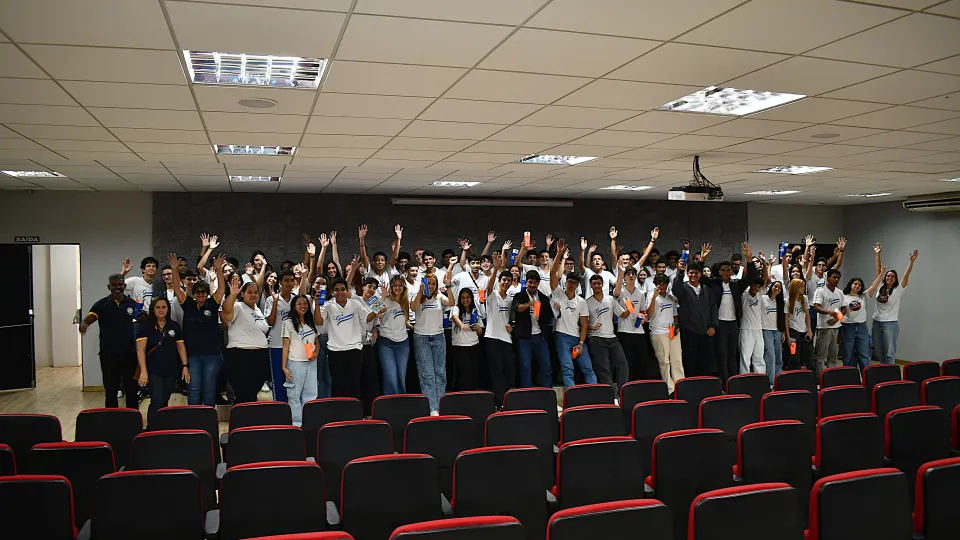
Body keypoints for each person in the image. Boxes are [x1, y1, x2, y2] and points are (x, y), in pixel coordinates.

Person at [169, 252, 226, 406]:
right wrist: (174, 270)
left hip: (212, 355)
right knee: (193, 388)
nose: (200, 294)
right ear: (193, 294)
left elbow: (221, 288)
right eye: (197, 292)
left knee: (209, 389)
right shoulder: (187, 304)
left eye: (203, 292)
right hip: (192, 355)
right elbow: (176, 288)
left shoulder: (212, 304)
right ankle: (193, 419)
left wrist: (219, 270)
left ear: (207, 293)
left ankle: (207, 420)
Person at [79, 274, 140, 409]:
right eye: (114, 285)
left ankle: (133, 418)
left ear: (124, 286)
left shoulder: (132, 304)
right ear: (109, 287)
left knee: (131, 390)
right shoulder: (102, 304)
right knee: (111, 390)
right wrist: (84, 323)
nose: (117, 287)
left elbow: (142, 321)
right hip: (108, 355)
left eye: (120, 284)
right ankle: (112, 419)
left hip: (129, 355)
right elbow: (89, 318)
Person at [316, 278, 381, 400]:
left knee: (354, 384)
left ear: (347, 291)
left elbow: (367, 318)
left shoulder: (355, 304)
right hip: (335, 351)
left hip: (354, 349)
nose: (340, 292)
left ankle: (355, 413)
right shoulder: (328, 306)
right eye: (336, 290)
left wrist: (377, 310)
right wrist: (316, 304)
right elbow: (318, 322)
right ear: (332, 291)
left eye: (342, 289)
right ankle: (339, 414)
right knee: (338, 384)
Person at [701, 242, 757, 382]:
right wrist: (702, 260)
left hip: (733, 323)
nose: (726, 272)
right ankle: (725, 381)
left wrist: (749, 260)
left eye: (728, 270)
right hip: (720, 323)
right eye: (723, 270)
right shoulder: (714, 283)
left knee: (733, 353)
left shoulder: (736, 284)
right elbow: (702, 279)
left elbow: (750, 278)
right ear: (719, 272)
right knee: (722, 353)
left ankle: (734, 380)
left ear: (731, 271)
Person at [549, 239, 597, 388]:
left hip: (576, 337)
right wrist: (559, 254)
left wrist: (581, 343)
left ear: (577, 286)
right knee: (567, 368)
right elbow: (552, 274)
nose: (572, 284)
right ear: (566, 283)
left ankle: (595, 393)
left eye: (575, 283)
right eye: (569, 282)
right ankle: (571, 394)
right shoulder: (558, 293)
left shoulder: (581, 301)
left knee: (587, 367)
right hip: (561, 336)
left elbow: (584, 325)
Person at [135, 297, 188, 427]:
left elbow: (180, 347)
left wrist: (185, 366)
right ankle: (152, 428)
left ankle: (163, 427)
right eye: (158, 307)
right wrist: (143, 371)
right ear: (153, 309)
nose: (161, 310)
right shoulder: (146, 326)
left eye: (164, 307)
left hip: (170, 370)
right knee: (156, 400)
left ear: (168, 309)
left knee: (165, 399)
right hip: (153, 370)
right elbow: (140, 350)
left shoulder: (173, 326)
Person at [222, 275, 270, 403]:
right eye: (250, 292)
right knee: (243, 395)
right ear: (242, 294)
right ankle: (242, 420)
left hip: (259, 357)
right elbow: (226, 312)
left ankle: (250, 419)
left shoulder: (258, 310)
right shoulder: (238, 306)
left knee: (251, 394)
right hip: (241, 357)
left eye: (256, 292)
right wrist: (232, 295)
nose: (253, 295)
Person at [411, 272, 453, 414]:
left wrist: (448, 286)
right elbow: (413, 307)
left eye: (434, 283)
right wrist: (420, 291)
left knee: (440, 372)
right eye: (429, 283)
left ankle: (441, 404)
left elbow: (452, 303)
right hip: (421, 337)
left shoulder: (440, 297)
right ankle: (432, 407)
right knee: (427, 374)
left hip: (438, 336)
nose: (431, 286)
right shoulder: (418, 296)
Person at [586, 267, 631, 394]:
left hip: (612, 338)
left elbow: (623, 314)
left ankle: (623, 392)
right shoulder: (587, 302)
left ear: (602, 285)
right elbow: (582, 323)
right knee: (604, 368)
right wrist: (591, 326)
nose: (596, 286)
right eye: (594, 284)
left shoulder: (610, 299)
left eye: (598, 283)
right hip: (596, 338)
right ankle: (612, 395)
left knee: (622, 364)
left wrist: (630, 307)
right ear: (591, 285)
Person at [872, 244, 918, 364]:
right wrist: (878, 254)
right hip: (876, 322)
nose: (890, 277)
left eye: (892, 276)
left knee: (889, 351)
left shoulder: (898, 289)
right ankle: (884, 370)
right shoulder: (880, 286)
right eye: (888, 275)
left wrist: (911, 262)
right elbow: (878, 270)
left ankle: (891, 375)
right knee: (878, 350)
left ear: (895, 279)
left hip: (890, 324)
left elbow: (906, 276)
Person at [672, 261, 718, 377]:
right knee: (690, 359)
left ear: (700, 274)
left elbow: (713, 308)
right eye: (691, 273)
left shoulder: (706, 289)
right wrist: (680, 272)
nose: (693, 275)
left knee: (705, 360)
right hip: (689, 330)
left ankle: (704, 383)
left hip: (705, 331)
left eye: (696, 273)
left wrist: (713, 325)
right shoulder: (683, 288)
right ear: (687, 274)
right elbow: (675, 289)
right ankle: (691, 384)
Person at [484, 249, 517, 407]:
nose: (506, 282)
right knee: (496, 372)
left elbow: (513, 317)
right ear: (499, 280)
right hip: (492, 337)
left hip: (507, 338)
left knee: (508, 371)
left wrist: (513, 326)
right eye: (503, 280)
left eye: (508, 280)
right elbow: (488, 288)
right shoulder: (492, 295)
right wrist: (496, 269)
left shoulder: (511, 298)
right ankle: (499, 404)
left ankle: (507, 401)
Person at [511, 270, 554, 388]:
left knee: (546, 366)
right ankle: (526, 394)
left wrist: (557, 310)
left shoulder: (544, 298)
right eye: (530, 282)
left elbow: (550, 316)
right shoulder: (520, 296)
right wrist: (529, 304)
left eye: (535, 283)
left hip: (540, 336)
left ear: (538, 283)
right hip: (524, 337)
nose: (533, 285)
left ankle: (548, 393)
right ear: (526, 282)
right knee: (525, 367)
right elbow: (516, 308)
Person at [281, 294, 319, 425]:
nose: (303, 306)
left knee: (311, 394)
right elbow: (285, 346)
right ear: (294, 306)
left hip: (311, 363)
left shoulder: (310, 321)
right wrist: (284, 367)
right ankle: (296, 424)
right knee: (294, 395)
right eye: (299, 304)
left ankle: (309, 423)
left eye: (305, 303)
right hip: (295, 363)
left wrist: (316, 353)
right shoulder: (288, 323)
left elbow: (316, 342)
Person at [613, 263, 655, 381]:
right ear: (625, 277)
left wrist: (642, 317)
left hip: (638, 331)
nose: (631, 276)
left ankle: (641, 384)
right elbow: (615, 294)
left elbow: (642, 311)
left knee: (642, 360)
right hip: (624, 331)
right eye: (628, 274)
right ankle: (628, 384)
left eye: (633, 274)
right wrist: (620, 273)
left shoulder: (640, 293)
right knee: (627, 361)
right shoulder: (620, 291)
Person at [265, 269, 300, 402]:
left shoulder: (296, 300)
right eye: (286, 280)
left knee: (293, 379)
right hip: (276, 345)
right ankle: (280, 409)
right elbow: (271, 322)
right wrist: (275, 303)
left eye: (292, 280)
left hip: (294, 346)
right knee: (278, 379)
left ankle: (293, 410)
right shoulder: (271, 299)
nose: (290, 283)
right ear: (280, 282)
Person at [842, 270, 885, 370]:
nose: (857, 286)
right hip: (848, 327)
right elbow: (839, 312)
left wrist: (882, 273)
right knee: (848, 354)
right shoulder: (843, 297)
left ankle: (866, 378)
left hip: (862, 327)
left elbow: (874, 286)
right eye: (855, 284)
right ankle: (851, 378)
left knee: (864, 354)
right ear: (850, 284)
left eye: (859, 285)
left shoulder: (863, 296)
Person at [647, 274, 682, 393]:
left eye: (664, 283)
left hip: (672, 332)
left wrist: (677, 326)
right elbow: (649, 315)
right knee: (664, 361)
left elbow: (675, 315)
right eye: (659, 283)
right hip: (658, 332)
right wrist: (653, 298)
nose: (662, 286)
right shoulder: (651, 296)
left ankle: (680, 384)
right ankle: (670, 389)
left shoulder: (670, 298)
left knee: (677, 359)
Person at [377, 275, 411, 395]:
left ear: (404, 287)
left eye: (400, 285)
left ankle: (402, 401)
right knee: (390, 375)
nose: (397, 288)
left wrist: (411, 326)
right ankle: (391, 403)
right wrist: (382, 296)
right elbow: (377, 314)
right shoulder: (385, 300)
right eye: (394, 285)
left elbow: (404, 319)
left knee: (401, 376)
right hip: (386, 342)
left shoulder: (406, 301)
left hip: (403, 342)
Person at [450, 288, 484, 391]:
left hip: (474, 345)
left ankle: (473, 395)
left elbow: (481, 333)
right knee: (465, 372)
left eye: (468, 297)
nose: (465, 300)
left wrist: (478, 328)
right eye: (463, 298)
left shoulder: (475, 311)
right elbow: (455, 317)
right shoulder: (456, 308)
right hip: (459, 346)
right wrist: (462, 325)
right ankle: (463, 396)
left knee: (474, 372)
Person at [812, 269, 844, 375]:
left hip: (836, 326)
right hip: (824, 327)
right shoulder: (820, 291)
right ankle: (819, 377)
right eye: (834, 277)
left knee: (833, 355)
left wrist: (836, 319)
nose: (836, 279)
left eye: (838, 278)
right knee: (821, 354)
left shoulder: (839, 292)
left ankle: (831, 376)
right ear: (828, 278)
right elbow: (816, 307)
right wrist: (830, 312)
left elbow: (843, 309)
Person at [739, 277, 767, 375]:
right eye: (754, 285)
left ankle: (760, 377)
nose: (756, 288)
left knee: (759, 356)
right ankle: (744, 377)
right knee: (745, 356)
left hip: (758, 329)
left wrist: (764, 262)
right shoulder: (744, 294)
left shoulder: (759, 295)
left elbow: (765, 278)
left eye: (758, 287)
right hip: (746, 328)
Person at [785, 279, 813, 371]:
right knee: (794, 353)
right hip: (793, 329)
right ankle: (793, 370)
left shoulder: (804, 298)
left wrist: (809, 329)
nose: (803, 288)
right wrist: (788, 335)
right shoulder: (787, 300)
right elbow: (786, 319)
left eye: (804, 286)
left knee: (806, 352)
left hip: (803, 329)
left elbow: (807, 315)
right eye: (801, 286)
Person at [761, 280, 785, 386]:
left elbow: (783, 318)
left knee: (778, 356)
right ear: (771, 287)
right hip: (766, 330)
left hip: (778, 331)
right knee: (770, 356)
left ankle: (778, 380)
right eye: (775, 287)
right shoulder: (763, 299)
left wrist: (783, 332)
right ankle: (770, 382)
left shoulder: (781, 302)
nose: (777, 289)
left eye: (779, 288)